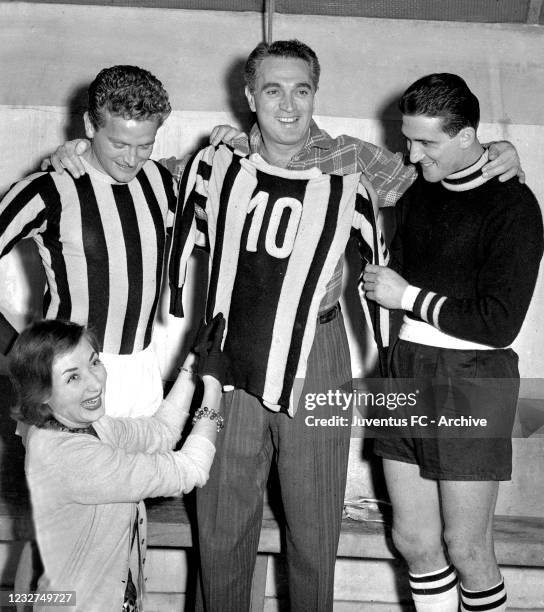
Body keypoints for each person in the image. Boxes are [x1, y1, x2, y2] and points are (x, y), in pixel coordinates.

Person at [44, 41, 522, 612]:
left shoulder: (357, 161)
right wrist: (75, 149)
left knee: (315, 525)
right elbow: (124, 166)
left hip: (320, 347)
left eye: (301, 89)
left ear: (315, 93)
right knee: (221, 524)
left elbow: (444, 168)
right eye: (272, 89)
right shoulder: (216, 159)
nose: (288, 104)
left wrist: (498, 150)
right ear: (250, 95)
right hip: (232, 349)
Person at [362, 73, 543, 612]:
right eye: (408, 138)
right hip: (404, 368)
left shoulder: (515, 208)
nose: (413, 155)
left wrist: (407, 297)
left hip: (472, 378)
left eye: (427, 142)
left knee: (467, 549)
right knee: (413, 541)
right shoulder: (419, 191)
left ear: (467, 138)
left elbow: (498, 323)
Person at [8, 314, 227, 611]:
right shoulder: (73, 458)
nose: (95, 383)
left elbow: (160, 432)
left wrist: (192, 364)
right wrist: (213, 387)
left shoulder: (83, 426)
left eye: (95, 362)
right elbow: (192, 469)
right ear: (42, 394)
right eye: (73, 376)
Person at [0, 64, 177, 420]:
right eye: (119, 143)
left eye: (145, 145)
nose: (131, 159)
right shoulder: (48, 188)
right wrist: (16, 347)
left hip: (143, 372)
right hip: (72, 375)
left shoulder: (160, 180)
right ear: (90, 125)